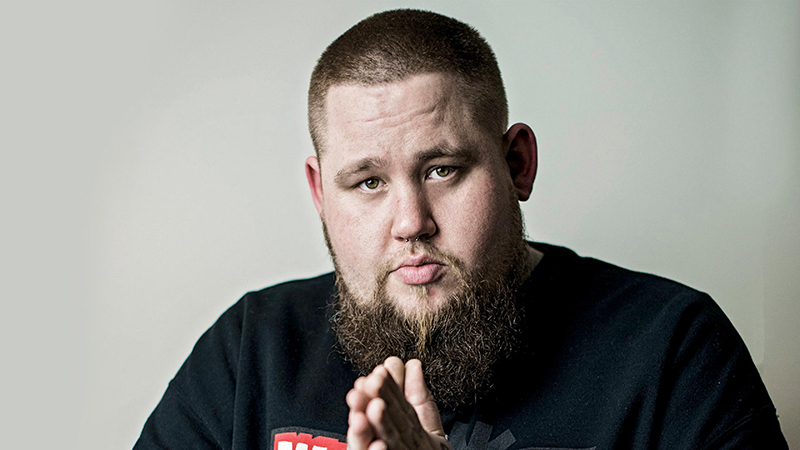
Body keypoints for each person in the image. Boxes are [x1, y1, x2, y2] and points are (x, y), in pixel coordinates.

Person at [134, 9, 787, 450]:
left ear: (517, 164)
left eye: (442, 170)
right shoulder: (250, 353)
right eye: (368, 182)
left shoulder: (673, 349)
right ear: (319, 193)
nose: (411, 223)